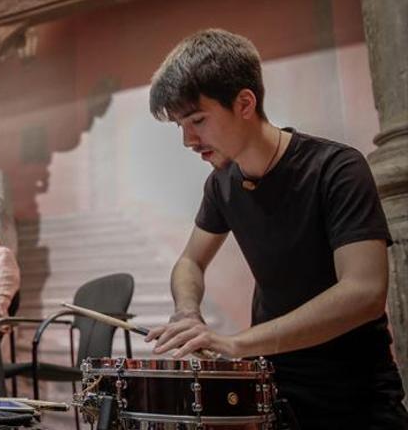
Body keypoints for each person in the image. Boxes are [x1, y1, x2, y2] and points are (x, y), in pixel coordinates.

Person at [143, 29, 408, 428]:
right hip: (278, 390)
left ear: (245, 102)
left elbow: (364, 292)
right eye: (181, 125)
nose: (188, 140)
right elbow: (190, 262)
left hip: (356, 395)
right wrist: (187, 313)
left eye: (197, 120)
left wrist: (237, 342)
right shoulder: (222, 184)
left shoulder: (337, 169)